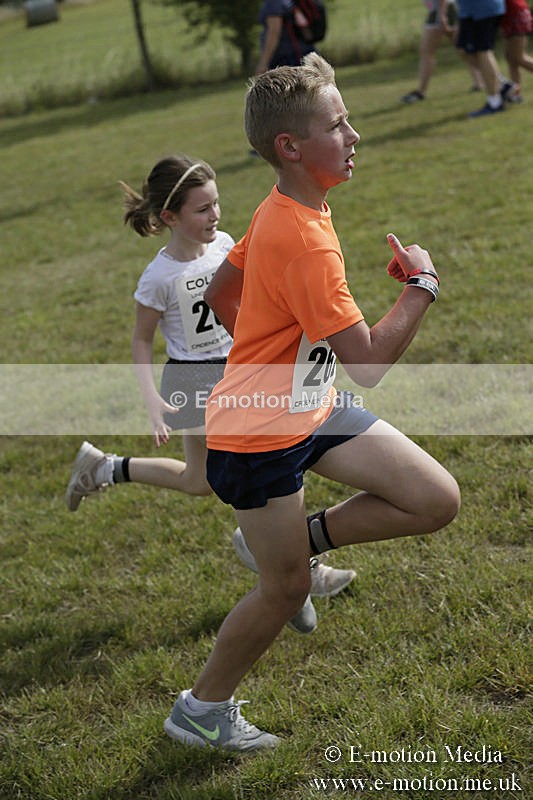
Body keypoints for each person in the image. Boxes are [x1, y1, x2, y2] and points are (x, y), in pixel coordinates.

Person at [163, 53, 461, 752]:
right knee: (284, 588)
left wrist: (276, 359)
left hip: (309, 404)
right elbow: (368, 362)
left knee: (433, 498)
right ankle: (200, 711)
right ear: (289, 147)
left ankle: (291, 541)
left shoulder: (282, 207)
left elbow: (221, 297)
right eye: (337, 124)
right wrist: (419, 286)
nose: (353, 134)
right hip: (259, 434)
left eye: (348, 119)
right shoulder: (302, 239)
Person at [65, 153, 357, 626]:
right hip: (193, 382)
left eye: (216, 204)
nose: (215, 216)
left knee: (230, 474)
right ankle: (287, 572)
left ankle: (105, 468)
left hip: (240, 371)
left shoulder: (225, 245)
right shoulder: (157, 278)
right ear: (169, 218)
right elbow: (141, 340)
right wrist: (151, 400)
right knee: (240, 475)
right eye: (202, 209)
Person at [401, 0, 483, 103]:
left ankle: (421, 92)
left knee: (426, 52)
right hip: (445, 9)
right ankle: (481, 81)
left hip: (440, 10)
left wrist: (442, 15)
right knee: (462, 49)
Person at [455, 0, 514, 117]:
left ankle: (494, 102)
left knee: (483, 51)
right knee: (464, 50)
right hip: (472, 10)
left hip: (481, 9)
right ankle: (502, 84)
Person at [256, 0, 316, 75]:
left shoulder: (273, 2)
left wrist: (263, 63)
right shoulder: (289, 2)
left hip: (285, 60)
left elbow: (274, 32)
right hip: (305, 54)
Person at [500, 0, 533, 103]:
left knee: (519, 57)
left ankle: (516, 93)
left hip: (515, 13)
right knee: (511, 58)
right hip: (512, 13)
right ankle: (516, 94)